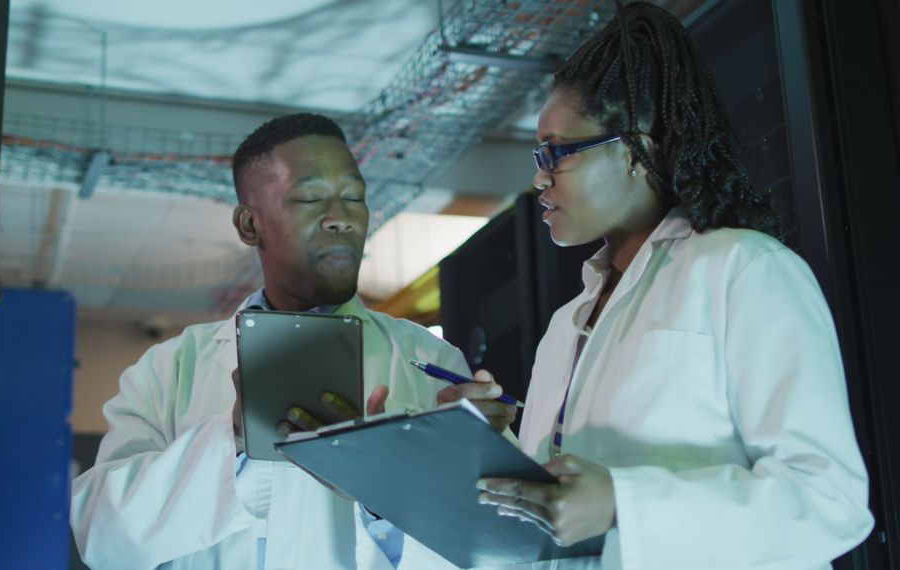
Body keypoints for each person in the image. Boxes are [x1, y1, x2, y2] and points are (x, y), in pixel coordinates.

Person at [473, 3, 874, 569]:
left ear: (638, 150)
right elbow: (552, 530)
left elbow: (828, 501)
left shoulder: (743, 268)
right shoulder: (565, 325)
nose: (539, 176)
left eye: (556, 153)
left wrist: (623, 503)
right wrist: (480, 451)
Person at [69, 113, 518, 569]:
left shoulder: (428, 359)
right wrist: (236, 438)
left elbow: (493, 554)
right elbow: (105, 540)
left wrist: (404, 480)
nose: (341, 218)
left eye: (355, 197)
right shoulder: (171, 368)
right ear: (249, 225)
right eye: (309, 198)